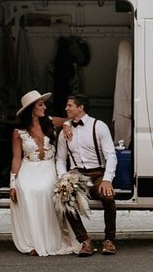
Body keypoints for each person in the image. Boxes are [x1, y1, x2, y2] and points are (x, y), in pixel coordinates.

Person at [9, 89, 81, 256]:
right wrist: (13, 183)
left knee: (47, 189)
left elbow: (69, 119)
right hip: (29, 167)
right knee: (27, 190)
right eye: (40, 104)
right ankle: (33, 241)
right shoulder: (18, 132)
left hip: (48, 167)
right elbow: (16, 159)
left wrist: (65, 124)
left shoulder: (49, 122)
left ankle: (54, 239)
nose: (44, 107)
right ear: (31, 109)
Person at [55, 93, 118, 256]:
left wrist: (107, 180)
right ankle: (85, 240)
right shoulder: (64, 132)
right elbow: (60, 159)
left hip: (98, 174)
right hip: (77, 176)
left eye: (69, 105)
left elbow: (111, 156)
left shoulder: (99, 126)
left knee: (108, 197)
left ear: (80, 107)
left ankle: (109, 239)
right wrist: (64, 178)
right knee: (64, 197)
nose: (66, 108)